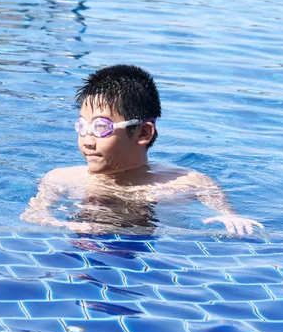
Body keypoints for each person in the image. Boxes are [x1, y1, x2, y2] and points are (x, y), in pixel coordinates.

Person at [21, 64, 263, 236]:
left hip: (146, 249)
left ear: (144, 133)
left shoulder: (188, 182)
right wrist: (64, 226)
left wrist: (229, 215)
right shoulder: (61, 178)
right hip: (79, 246)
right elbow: (33, 216)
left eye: (100, 127)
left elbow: (224, 210)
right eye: (82, 126)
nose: (87, 139)